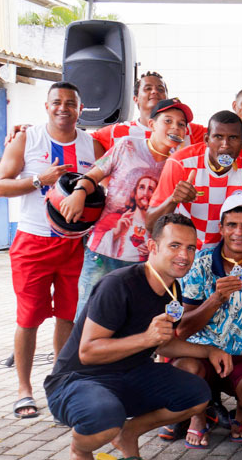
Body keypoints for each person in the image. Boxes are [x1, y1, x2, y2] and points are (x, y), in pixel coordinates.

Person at [42, 213, 230, 460]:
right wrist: (146, 338)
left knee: (197, 396)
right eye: (175, 246)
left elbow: (163, 344)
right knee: (105, 416)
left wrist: (209, 350)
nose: (185, 255)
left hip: (128, 374)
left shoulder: (172, 289)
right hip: (78, 379)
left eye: (191, 248)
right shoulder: (118, 285)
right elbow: (89, 351)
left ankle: (127, 435)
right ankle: (80, 452)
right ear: (153, 247)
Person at [0, 81, 97, 419]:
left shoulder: (91, 143)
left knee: (67, 316)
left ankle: (60, 383)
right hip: (33, 241)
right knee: (28, 318)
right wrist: (40, 179)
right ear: (46, 105)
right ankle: (24, 389)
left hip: (73, 245)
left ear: (80, 109)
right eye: (57, 101)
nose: (63, 107)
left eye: (70, 102)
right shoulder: (27, 138)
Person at [170, 192, 242, 446]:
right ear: (221, 228)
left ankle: (241, 415)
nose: (239, 232)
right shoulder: (199, 262)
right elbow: (183, 329)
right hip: (202, 352)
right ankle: (198, 418)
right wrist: (215, 300)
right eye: (231, 225)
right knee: (183, 370)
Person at [63, 98, 193, 309]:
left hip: (145, 259)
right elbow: (94, 174)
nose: (175, 128)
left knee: (130, 319)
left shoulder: (177, 166)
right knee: (88, 314)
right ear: (152, 125)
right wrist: (78, 192)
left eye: (181, 124)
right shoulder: (127, 145)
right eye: (168, 121)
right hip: (103, 251)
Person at [147, 110, 242, 249]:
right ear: (207, 140)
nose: (225, 144)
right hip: (187, 252)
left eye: (233, 138)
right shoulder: (180, 162)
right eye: (218, 137)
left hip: (225, 256)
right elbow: (151, 226)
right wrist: (173, 199)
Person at [90, 72, 208, 157]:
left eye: (161, 89)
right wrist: (110, 182)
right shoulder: (116, 134)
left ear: (166, 97)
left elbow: (221, 135)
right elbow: (86, 141)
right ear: (135, 98)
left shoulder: (187, 129)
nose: (155, 91)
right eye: (148, 88)